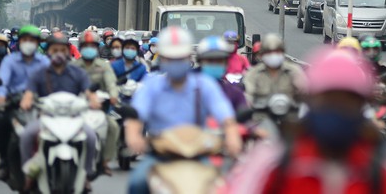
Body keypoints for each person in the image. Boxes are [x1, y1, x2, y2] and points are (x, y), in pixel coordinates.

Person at [223, 48, 386, 193]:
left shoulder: (380, 172)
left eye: (346, 102)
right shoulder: (273, 162)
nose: (336, 109)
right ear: (310, 100)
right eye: (328, 101)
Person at [125, 26, 241, 194]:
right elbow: (136, 116)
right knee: (137, 182)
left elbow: (226, 116)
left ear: (188, 57)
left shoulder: (204, 85)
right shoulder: (151, 85)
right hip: (160, 156)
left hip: (197, 155)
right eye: (171, 58)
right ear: (162, 58)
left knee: (223, 186)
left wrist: (232, 136)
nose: (175, 62)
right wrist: (134, 137)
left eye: (179, 58)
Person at [19, 34, 98, 190]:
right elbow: (28, 94)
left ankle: (86, 175)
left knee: (91, 136)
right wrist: (26, 101)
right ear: (48, 52)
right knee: (27, 135)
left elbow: (89, 93)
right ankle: (28, 174)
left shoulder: (78, 73)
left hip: (74, 118)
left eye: (63, 50)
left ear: (68, 53)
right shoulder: (39, 73)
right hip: (46, 118)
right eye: (55, 50)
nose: (59, 53)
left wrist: (94, 101)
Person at [0, 25, 49, 179]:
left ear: (37, 43)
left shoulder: (44, 61)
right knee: (2, 123)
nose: (28, 43)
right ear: (19, 41)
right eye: (25, 40)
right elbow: (2, 81)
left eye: (32, 40)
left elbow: (52, 82)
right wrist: (1, 95)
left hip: (40, 103)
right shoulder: (10, 60)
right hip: (15, 101)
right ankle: (4, 161)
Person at [71, 29, 120, 175]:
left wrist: (113, 95)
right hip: (78, 107)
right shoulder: (74, 66)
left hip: (99, 105)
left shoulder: (103, 65)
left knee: (113, 126)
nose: (89, 49)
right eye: (86, 46)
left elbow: (111, 82)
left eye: (92, 46)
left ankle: (105, 161)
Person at [243, 33, 305, 109]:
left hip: (290, 116)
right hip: (261, 116)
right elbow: (248, 96)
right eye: (269, 52)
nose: (273, 55)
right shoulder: (253, 73)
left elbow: (305, 91)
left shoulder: (294, 71)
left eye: (277, 51)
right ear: (262, 54)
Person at [197, 35, 248, 113]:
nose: (214, 65)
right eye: (210, 61)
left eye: (219, 61)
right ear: (200, 62)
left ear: (226, 63)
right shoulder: (189, 91)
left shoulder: (235, 94)